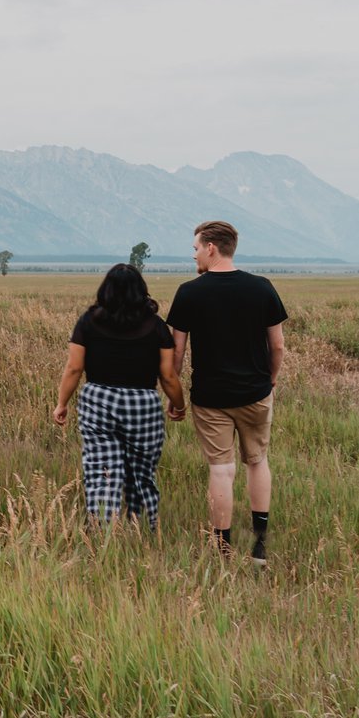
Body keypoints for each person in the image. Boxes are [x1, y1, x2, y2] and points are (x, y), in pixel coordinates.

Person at [167, 220, 288, 564]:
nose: (193, 256)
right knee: (257, 461)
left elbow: (176, 353)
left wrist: (174, 397)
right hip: (255, 392)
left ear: (211, 248)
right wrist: (272, 379)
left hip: (210, 397)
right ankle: (260, 545)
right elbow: (277, 345)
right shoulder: (262, 288)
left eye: (195, 249)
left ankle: (222, 550)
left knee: (221, 469)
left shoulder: (189, 292)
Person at [52, 263, 186, 529]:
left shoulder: (88, 321)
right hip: (143, 403)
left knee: (102, 469)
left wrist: (62, 403)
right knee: (142, 471)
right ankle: (143, 527)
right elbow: (168, 375)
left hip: (98, 400)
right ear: (141, 291)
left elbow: (74, 367)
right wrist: (179, 404)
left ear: (107, 289)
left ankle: (102, 529)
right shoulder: (156, 326)